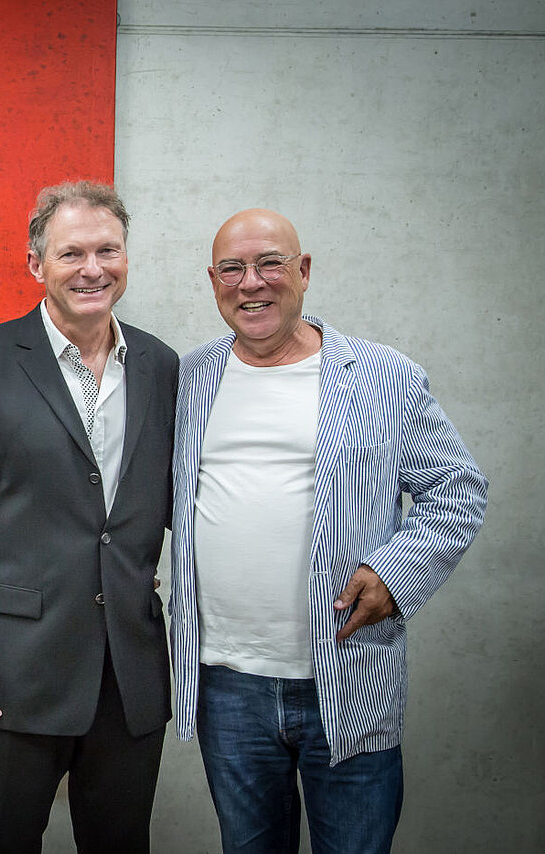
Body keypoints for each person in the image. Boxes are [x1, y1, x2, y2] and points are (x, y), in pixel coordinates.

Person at [169, 208, 488, 854]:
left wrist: (394, 575)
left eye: (270, 264)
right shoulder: (188, 378)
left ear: (304, 271)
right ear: (213, 280)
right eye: (232, 269)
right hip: (226, 682)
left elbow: (457, 490)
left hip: (346, 672)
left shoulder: (383, 377)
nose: (251, 283)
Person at [0, 181, 178, 854]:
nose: (93, 269)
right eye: (72, 253)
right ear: (36, 264)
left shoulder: (159, 364)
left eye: (107, 250)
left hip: (129, 672)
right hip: (13, 675)